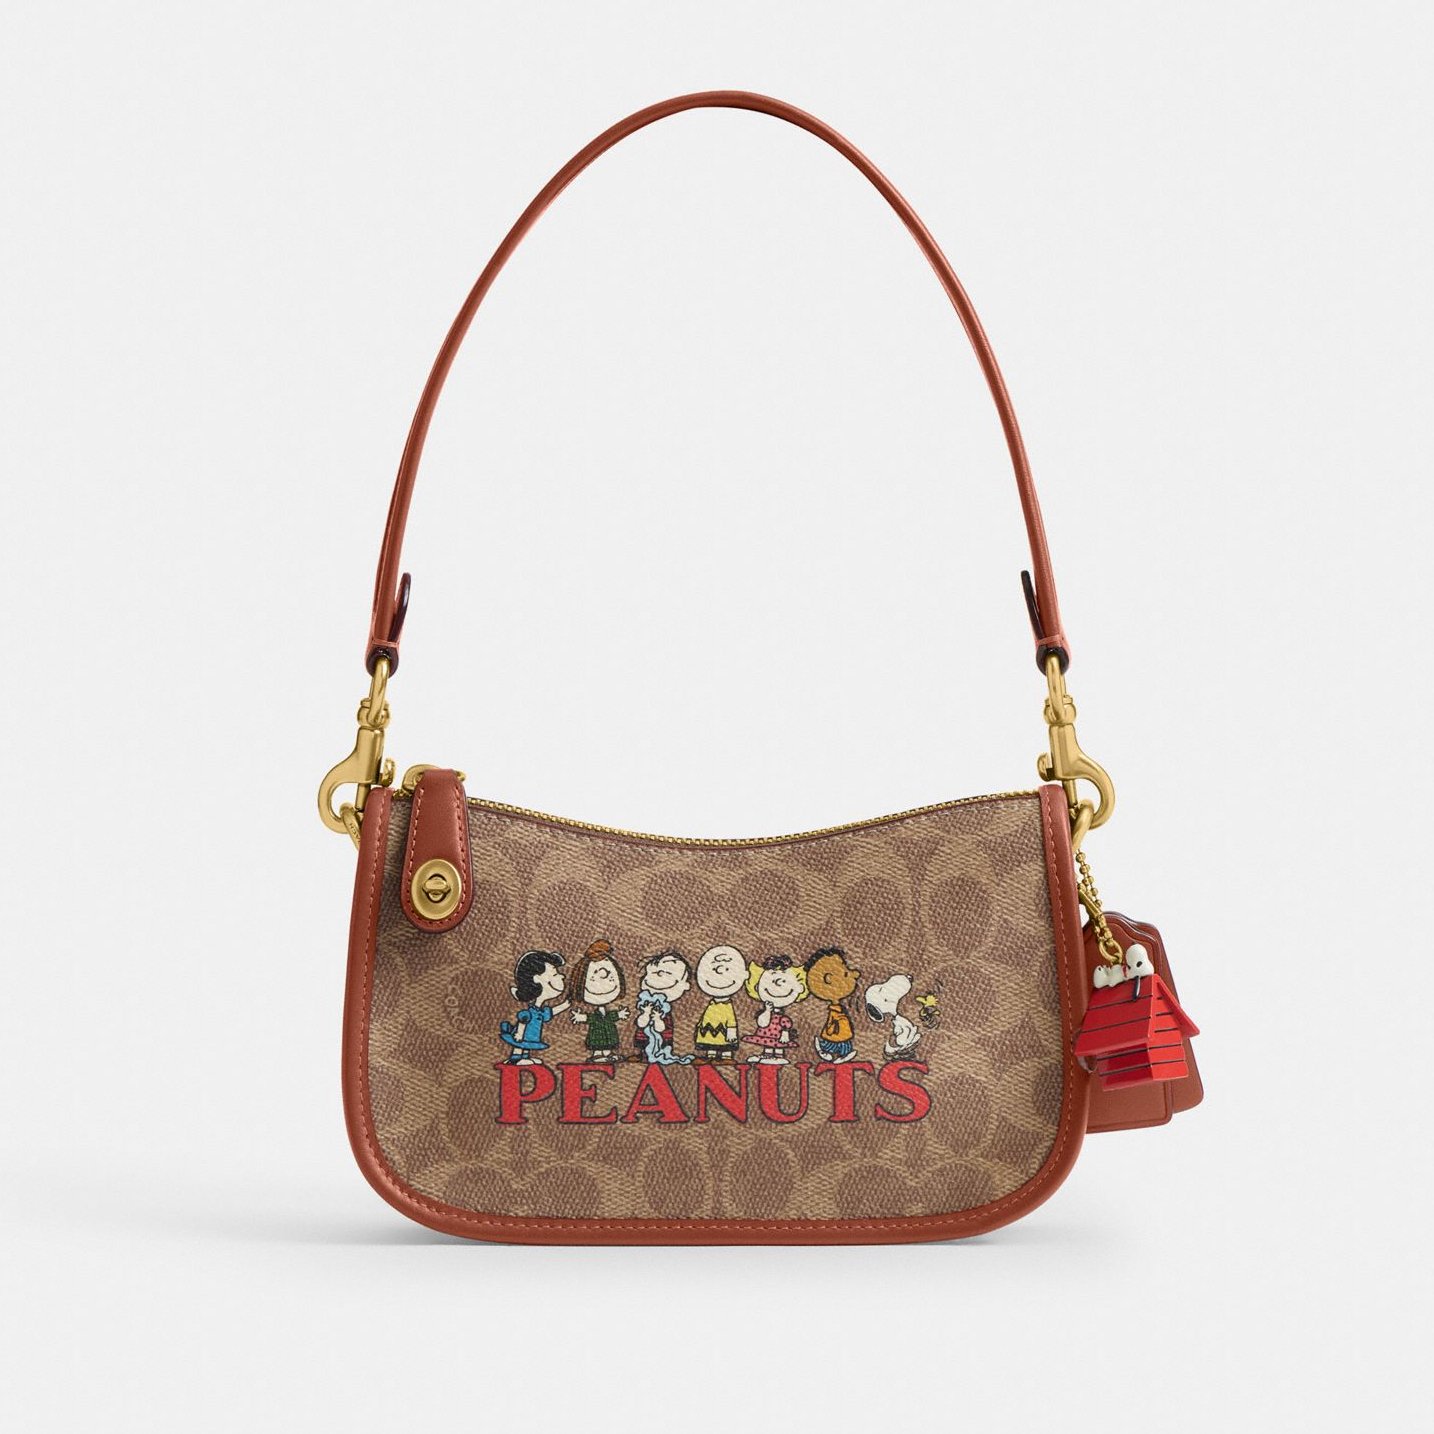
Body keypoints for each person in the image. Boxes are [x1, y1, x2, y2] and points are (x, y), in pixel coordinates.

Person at [498, 950, 569, 1064]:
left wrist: (565, 1005)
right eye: (555, 974)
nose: (562, 976)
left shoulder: (540, 1011)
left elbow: (551, 1012)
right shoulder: (530, 1012)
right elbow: (522, 1021)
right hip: (522, 1035)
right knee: (520, 1044)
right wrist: (519, 1034)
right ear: (537, 979)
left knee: (527, 1045)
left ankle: (525, 1058)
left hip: (531, 1036)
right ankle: (515, 1059)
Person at [568, 938, 629, 1062]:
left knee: (608, 1045)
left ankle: (608, 1054)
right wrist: (582, 1017)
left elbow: (611, 1016)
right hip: (596, 1035)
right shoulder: (596, 1015)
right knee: (598, 1045)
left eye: (611, 978)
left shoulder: (606, 1012)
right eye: (594, 978)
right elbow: (591, 1018)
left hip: (609, 1034)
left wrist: (619, 1014)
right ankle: (597, 1055)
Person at [742, 954, 808, 1064]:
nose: (778, 982)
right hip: (766, 1033)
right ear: (757, 987)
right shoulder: (767, 1011)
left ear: (800, 988)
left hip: (778, 1033)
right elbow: (762, 1023)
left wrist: (785, 1033)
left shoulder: (783, 1018)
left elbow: (786, 1024)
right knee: (767, 1044)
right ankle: (767, 1055)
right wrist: (767, 1011)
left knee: (779, 1044)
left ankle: (778, 1055)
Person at [633, 950, 694, 1065]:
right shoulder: (645, 1004)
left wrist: (657, 1018)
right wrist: (646, 1013)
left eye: (668, 973)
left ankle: (656, 1054)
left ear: (685, 985)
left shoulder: (665, 1011)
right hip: (643, 1037)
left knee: (663, 1041)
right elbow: (641, 1023)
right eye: (653, 972)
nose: (660, 975)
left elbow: (660, 1028)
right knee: (642, 1041)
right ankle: (644, 1054)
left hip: (664, 1038)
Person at [806, 947, 862, 1064]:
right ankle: (826, 1049)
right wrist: (831, 1030)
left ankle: (838, 1052)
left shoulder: (838, 1008)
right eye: (846, 974)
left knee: (841, 1042)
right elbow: (833, 1021)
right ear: (829, 979)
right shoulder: (835, 1010)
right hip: (838, 1032)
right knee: (837, 1041)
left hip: (841, 1033)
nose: (856, 974)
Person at [693, 945, 747, 1061]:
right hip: (708, 1029)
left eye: (727, 969)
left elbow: (731, 1019)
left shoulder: (727, 1006)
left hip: (723, 1031)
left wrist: (731, 1030)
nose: (720, 972)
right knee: (710, 1045)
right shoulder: (712, 1004)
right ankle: (710, 1056)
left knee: (725, 1046)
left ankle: (726, 1057)